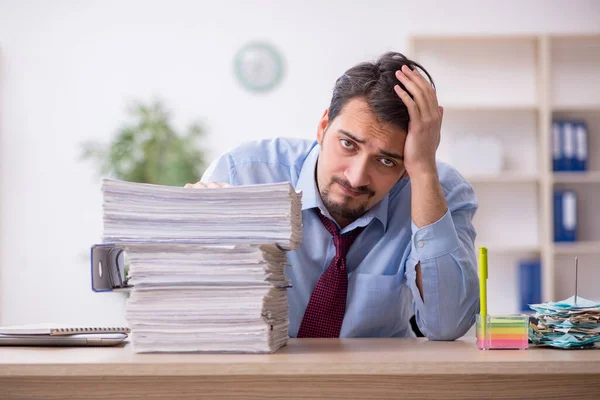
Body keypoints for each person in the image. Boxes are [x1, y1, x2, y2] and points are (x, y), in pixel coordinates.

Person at [188, 52, 479, 340]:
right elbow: (187, 302)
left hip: (377, 381)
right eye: (348, 144)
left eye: (386, 161)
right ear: (323, 126)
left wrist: (424, 170)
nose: (356, 177)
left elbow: (448, 325)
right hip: (256, 375)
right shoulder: (244, 175)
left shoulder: (438, 190)